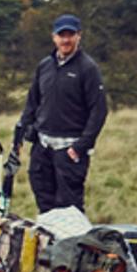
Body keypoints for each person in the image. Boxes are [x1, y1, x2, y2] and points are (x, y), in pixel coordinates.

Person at [16, 15, 106, 215]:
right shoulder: (44, 65)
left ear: (79, 36)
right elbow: (32, 102)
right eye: (61, 35)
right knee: (44, 202)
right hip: (43, 147)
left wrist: (81, 146)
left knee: (69, 208)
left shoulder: (88, 68)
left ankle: (71, 245)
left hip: (69, 149)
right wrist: (22, 133)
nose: (66, 40)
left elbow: (99, 110)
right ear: (53, 37)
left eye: (70, 35)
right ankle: (50, 245)